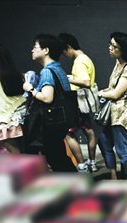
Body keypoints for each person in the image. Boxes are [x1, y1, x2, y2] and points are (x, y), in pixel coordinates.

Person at [22, 34, 76, 172]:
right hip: (61, 120)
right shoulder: (58, 68)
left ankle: (76, 187)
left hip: (51, 122)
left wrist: (30, 89)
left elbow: (47, 98)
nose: (32, 50)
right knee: (58, 156)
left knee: (57, 158)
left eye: (35, 47)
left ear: (46, 50)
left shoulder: (47, 71)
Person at [97, 32, 127, 180]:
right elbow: (112, 88)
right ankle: (114, 175)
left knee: (123, 150)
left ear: (123, 49)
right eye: (110, 44)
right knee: (103, 140)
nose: (109, 48)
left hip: (122, 115)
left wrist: (99, 94)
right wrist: (104, 91)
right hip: (112, 114)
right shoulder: (118, 64)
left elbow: (116, 94)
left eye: (113, 46)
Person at [58, 33, 98, 172]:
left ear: (68, 47)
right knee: (89, 131)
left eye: (64, 51)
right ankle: (92, 162)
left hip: (78, 103)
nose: (64, 55)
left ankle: (82, 165)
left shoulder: (79, 61)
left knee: (69, 133)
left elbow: (86, 82)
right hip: (85, 103)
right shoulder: (86, 58)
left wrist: (67, 78)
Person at [0, 44, 26, 154]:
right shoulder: (16, 75)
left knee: (9, 145)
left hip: (5, 119)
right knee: (23, 146)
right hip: (21, 114)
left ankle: (19, 170)